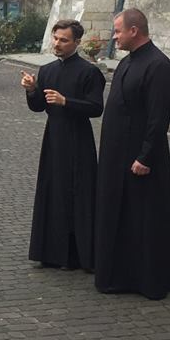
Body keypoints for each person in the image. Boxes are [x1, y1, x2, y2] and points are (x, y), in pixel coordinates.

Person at [94, 9, 170, 300]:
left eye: (118, 31)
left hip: (140, 158)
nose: (114, 37)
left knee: (144, 219)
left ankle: (148, 278)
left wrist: (145, 157)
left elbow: (158, 118)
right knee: (120, 216)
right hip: (116, 155)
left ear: (134, 30)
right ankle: (120, 273)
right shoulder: (127, 61)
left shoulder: (158, 66)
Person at [21, 20, 106, 271]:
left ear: (77, 42)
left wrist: (66, 101)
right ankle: (51, 253)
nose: (57, 44)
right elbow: (39, 107)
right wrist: (32, 90)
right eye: (55, 38)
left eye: (63, 40)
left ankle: (76, 255)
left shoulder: (89, 72)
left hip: (78, 139)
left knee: (77, 194)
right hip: (54, 139)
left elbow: (96, 108)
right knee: (53, 192)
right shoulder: (47, 70)